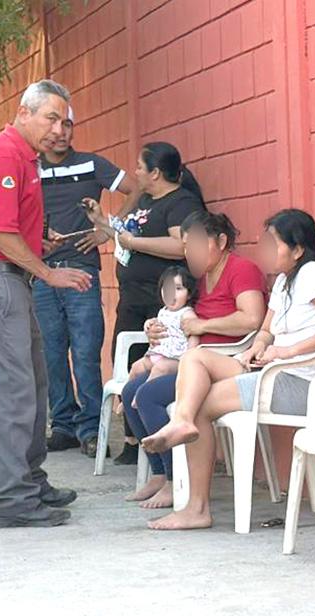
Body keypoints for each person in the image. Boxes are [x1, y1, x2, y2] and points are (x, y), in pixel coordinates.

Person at [141, 208, 315, 530]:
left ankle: (197, 508)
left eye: (272, 244)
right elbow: (266, 329)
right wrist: (257, 348)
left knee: (200, 404)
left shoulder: (313, 274)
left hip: (298, 384)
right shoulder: (284, 281)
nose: (265, 251)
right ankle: (183, 421)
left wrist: (288, 351)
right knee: (194, 358)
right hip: (270, 373)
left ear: (298, 249)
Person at [0, 79, 92, 529]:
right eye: (50, 118)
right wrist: (48, 272)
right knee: (12, 396)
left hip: (11, 283)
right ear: (23, 113)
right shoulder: (6, 155)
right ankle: (13, 500)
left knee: (32, 387)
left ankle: (30, 482)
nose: (58, 129)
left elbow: (8, 226)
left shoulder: (23, 156)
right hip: (1, 284)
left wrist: (39, 240)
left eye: (64, 121)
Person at [116, 211, 267, 509]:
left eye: (197, 244)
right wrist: (154, 329)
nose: (190, 253)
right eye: (186, 246)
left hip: (221, 364)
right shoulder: (199, 277)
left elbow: (253, 318)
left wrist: (203, 326)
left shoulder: (242, 269)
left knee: (148, 396)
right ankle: (160, 473)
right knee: (131, 389)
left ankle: (175, 481)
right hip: (191, 360)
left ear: (221, 241)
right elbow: (178, 315)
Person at [84, 142, 206, 466]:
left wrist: (135, 242)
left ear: (155, 172)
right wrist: (102, 222)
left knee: (151, 362)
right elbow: (124, 236)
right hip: (132, 296)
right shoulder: (146, 200)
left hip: (161, 299)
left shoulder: (180, 203)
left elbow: (181, 246)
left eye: (140, 166)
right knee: (126, 361)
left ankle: (159, 446)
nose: (135, 172)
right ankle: (132, 441)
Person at [33, 106, 141, 458]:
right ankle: (62, 426)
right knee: (51, 353)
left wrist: (107, 229)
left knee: (84, 352)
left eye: (68, 124)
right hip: (42, 273)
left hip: (82, 270)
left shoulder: (92, 164)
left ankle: (92, 430)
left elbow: (136, 189)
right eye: (55, 124)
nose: (61, 132)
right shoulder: (29, 168)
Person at [121, 265, 200, 410]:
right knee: (136, 367)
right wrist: (148, 324)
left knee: (160, 368)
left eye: (178, 288)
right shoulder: (163, 311)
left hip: (174, 359)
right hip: (156, 355)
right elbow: (156, 323)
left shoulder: (186, 314)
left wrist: (189, 356)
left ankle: (140, 396)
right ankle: (125, 397)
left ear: (189, 294)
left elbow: (194, 333)